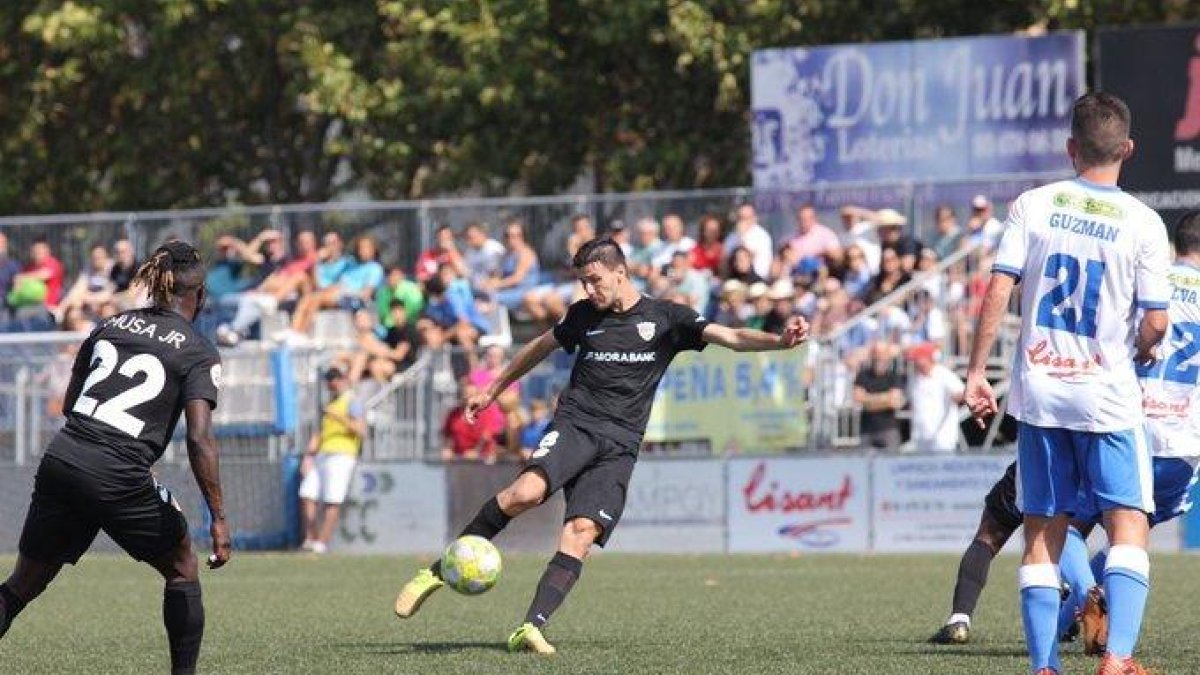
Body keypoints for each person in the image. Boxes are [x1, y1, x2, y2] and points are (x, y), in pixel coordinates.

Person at [393, 237, 808, 654]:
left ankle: (530, 627)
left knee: (581, 532)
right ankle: (436, 571)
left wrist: (780, 342)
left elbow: (731, 335)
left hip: (621, 443)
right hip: (577, 425)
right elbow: (540, 347)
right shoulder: (584, 315)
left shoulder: (667, 318)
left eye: (595, 281)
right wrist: (494, 390)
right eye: (584, 283)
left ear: (620, 273)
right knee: (525, 492)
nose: (590, 290)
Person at [964, 92, 1170, 675]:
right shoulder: (1144, 223)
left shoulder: (1033, 204)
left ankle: (1044, 666)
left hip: (1041, 393)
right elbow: (1155, 322)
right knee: (1127, 525)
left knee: (1042, 535)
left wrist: (978, 372)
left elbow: (1000, 288)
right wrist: (1143, 348)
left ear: (1070, 148)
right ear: (1127, 148)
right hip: (1107, 397)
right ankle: (1119, 659)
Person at [0, 241, 231, 675]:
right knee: (182, 565)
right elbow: (200, 439)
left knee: (22, 586)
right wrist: (218, 517)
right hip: (118, 471)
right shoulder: (198, 350)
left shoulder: (110, 325)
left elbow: (72, 405)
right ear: (198, 295)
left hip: (65, 457)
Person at [299, 367, 367, 554]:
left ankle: (322, 543)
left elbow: (362, 430)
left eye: (335, 378)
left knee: (332, 499)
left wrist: (340, 417)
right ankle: (310, 538)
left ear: (344, 379)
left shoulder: (352, 401)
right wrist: (309, 455)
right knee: (307, 493)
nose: (332, 382)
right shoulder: (329, 402)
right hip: (323, 454)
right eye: (329, 379)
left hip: (342, 454)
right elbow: (320, 432)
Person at [905, 342, 964, 453]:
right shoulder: (913, 379)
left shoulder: (944, 374)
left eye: (917, 359)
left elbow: (961, 394)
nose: (915, 363)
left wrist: (957, 397)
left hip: (942, 437)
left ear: (927, 358)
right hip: (920, 436)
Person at [853, 341, 905, 451]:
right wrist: (885, 398)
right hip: (866, 429)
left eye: (882, 354)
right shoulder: (863, 375)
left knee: (890, 464)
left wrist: (869, 400)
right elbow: (858, 398)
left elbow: (895, 402)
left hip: (888, 429)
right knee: (864, 465)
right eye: (876, 354)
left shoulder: (894, 376)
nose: (880, 358)